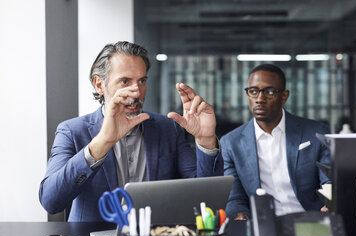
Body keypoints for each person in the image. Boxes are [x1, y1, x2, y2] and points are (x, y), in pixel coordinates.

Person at [39, 41, 223, 221]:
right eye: (125, 81)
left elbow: (205, 202)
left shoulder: (168, 128)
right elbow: (51, 202)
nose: (136, 92)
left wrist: (205, 140)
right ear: (99, 85)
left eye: (142, 80)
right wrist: (101, 143)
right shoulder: (71, 131)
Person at [221, 64, 330, 220]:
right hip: (264, 225)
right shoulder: (230, 143)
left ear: (284, 96)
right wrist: (240, 217)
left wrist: (329, 205)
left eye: (269, 92)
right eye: (253, 91)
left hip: (310, 222)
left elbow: (329, 183)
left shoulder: (316, 133)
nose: (260, 99)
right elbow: (235, 198)